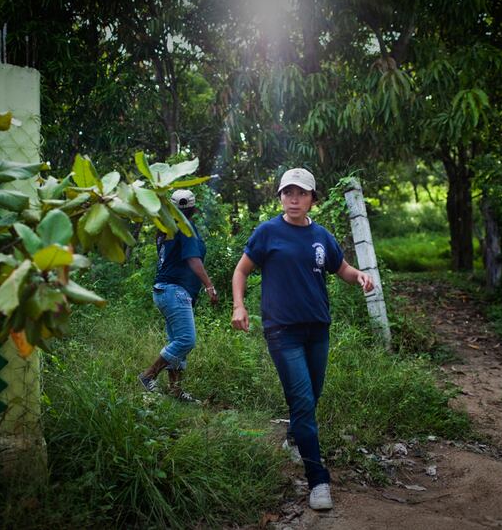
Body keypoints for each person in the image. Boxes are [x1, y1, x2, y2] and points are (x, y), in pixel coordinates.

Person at [231, 167, 374, 511]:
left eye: (301, 193)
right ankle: (318, 480)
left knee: (312, 395)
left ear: (312, 198)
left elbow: (342, 269)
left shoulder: (322, 235)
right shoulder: (267, 232)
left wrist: (361, 277)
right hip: (283, 331)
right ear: (280, 196)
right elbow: (241, 270)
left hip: (317, 329)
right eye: (287, 193)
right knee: (304, 401)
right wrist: (239, 305)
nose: (294, 199)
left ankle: (295, 437)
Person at [139, 189, 219, 402]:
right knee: (185, 340)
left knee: (176, 340)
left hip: (165, 290)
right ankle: (148, 375)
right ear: (194, 208)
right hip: (175, 291)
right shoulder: (186, 227)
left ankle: (175, 390)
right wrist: (209, 286)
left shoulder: (166, 228)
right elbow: (193, 259)